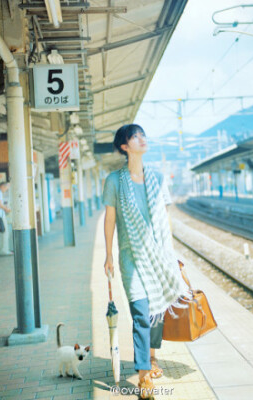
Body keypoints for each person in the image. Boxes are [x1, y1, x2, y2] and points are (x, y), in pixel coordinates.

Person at [103, 124, 190, 398]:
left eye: (143, 135)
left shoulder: (157, 177)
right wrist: (108, 254)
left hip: (158, 256)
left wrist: (171, 253)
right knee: (141, 313)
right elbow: (110, 219)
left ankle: (151, 358)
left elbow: (165, 219)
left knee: (156, 312)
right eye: (135, 137)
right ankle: (143, 376)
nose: (142, 139)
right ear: (124, 146)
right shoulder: (114, 180)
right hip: (131, 258)